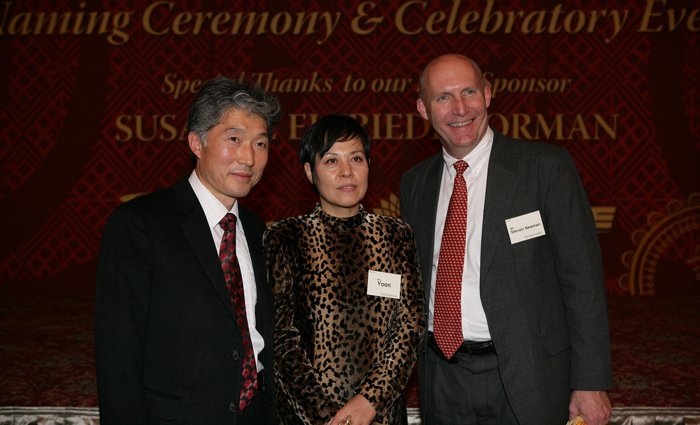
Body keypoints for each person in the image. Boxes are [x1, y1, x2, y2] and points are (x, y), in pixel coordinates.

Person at [399, 54, 613, 425]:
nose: (460, 108)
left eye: (469, 92)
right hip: (442, 378)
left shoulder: (545, 168)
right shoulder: (414, 183)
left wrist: (590, 383)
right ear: (423, 109)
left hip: (529, 376)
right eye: (443, 98)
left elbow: (584, 284)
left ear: (488, 94)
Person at [95, 77, 282, 424]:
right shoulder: (140, 224)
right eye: (234, 139)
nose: (249, 157)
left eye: (260, 143)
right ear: (197, 142)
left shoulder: (258, 231)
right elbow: (117, 356)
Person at [264, 114, 425, 425]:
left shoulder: (396, 237)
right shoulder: (285, 239)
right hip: (308, 419)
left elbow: (409, 329)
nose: (347, 172)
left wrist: (368, 403)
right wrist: (329, 418)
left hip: (382, 414)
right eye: (331, 161)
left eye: (356, 158)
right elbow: (282, 340)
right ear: (310, 172)